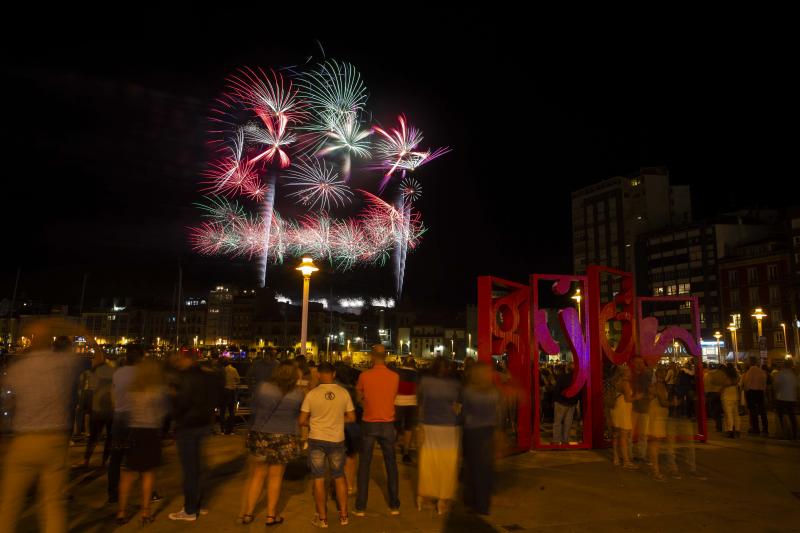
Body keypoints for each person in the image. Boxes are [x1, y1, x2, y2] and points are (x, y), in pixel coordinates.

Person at [0, 331, 83, 533]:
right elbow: (94, 361)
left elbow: (7, 404)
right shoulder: (66, 366)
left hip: (24, 440)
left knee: (10, 502)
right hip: (55, 439)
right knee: (52, 503)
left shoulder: (18, 368)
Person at [239, 360, 305, 526]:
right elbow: (299, 416)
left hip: (261, 435)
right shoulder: (298, 394)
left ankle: (248, 513)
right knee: (276, 478)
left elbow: (254, 408)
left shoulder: (263, 388)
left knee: (257, 475)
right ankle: (271, 516)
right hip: (285, 437)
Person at [299, 362, 356, 528]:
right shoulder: (343, 392)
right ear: (334, 374)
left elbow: (301, 420)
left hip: (317, 439)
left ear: (318, 375)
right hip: (337, 439)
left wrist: (314, 423)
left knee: (318, 479)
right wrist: (338, 420)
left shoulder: (312, 394)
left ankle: (323, 519)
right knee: (339, 476)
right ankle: (344, 515)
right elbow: (352, 418)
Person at [168, 349, 219, 522]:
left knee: (190, 469)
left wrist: (175, 415)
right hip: (203, 424)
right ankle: (199, 504)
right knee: (199, 466)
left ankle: (189, 510)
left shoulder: (184, 377)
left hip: (187, 426)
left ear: (187, 360)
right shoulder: (207, 376)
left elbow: (182, 402)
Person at [116, 359, 168, 525]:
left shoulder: (132, 392)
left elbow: (124, 413)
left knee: (127, 476)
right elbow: (163, 415)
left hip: (134, 433)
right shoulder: (159, 392)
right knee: (148, 474)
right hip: (151, 434)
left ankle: (121, 512)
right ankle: (145, 512)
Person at [355, 344, 400, 516]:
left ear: (372, 357)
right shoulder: (394, 377)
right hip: (388, 423)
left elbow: (358, 396)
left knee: (365, 465)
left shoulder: (364, 376)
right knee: (391, 464)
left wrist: (364, 403)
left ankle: (361, 507)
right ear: (386, 356)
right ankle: (394, 504)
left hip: (369, 422)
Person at [416, 356, 463, 515]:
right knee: (447, 463)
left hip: (429, 424)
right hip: (448, 426)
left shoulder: (425, 382)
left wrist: (419, 423)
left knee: (429, 460)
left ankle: (424, 496)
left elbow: (420, 403)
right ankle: (443, 500)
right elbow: (458, 406)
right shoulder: (454, 384)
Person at [462, 361, 501, 515]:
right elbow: (498, 414)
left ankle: (473, 501)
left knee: (473, 468)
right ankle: (483, 504)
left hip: (473, 432)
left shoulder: (469, 391)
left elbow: (465, 413)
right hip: (489, 431)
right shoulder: (494, 392)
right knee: (485, 469)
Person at [108, 345, 144, 505]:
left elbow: (113, 395)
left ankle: (112, 492)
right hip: (134, 418)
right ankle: (147, 492)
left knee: (115, 458)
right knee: (140, 457)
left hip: (119, 416)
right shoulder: (141, 375)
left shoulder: (117, 373)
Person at [78, 348, 115, 468]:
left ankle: (86, 460)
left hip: (97, 409)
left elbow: (89, 391)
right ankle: (105, 461)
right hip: (111, 409)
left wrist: (85, 408)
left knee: (93, 437)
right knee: (109, 438)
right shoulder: (114, 371)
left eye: (94, 357)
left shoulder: (93, 372)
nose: (92, 359)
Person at [611, 364, 638, 469]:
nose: (630, 372)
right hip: (623, 409)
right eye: (629, 371)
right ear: (625, 372)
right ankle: (626, 461)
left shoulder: (617, 381)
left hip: (617, 408)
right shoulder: (625, 382)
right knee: (624, 436)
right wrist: (637, 396)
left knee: (616, 434)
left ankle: (616, 457)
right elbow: (628, 399)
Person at [394, 356, 419, 463]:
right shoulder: (418, 375)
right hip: (412, 403)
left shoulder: (397, 373)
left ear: (403, 363)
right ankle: (406, 452)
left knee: (395, 426)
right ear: (414, 364)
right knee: (409, 427)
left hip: (398, 402)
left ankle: (391, 449)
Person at [646, 366, 670, 480]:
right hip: (656, 415)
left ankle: (654, 468)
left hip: (659, 415)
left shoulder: (657, 386)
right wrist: (674, 403)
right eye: (663, 373)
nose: (663, 375)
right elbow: (663, 402)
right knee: (655, 442)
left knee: (655, 442)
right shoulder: (657, 386)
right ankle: (655, 470)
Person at [552, 364, 579, 445]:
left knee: (557, 422)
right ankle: (565, 441)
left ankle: (556, 441)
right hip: (572, 403)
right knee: (568, 423)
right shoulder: (577, 378)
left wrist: (554, 400)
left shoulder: (562, 377)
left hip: (561, 402)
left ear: (567, 369)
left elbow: (557, 389)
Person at [630, 355, 651, 460]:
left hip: (644, 407)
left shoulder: (646, 374)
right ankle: (630, 453)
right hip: (633, 406)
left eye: (640, 362)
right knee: (631, 431)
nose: (639, 364)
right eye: (636, 362)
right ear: (633, 364)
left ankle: (641, 454)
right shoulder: (631, 375)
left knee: (643, 433)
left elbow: (649, 390)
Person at [742, 357, 768, 435]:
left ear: (750, 363)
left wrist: (746, 392)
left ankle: (756, 428)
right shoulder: (761, 372)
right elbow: (764, 384)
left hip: (751, 392)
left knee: (753, 411)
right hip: (760, 392)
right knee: (762, 411)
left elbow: (747, 384)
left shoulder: (749, 372)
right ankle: (765, 429)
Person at [774, 359, 798, 440]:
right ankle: (794, 433)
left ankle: (783, 432)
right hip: (792, 398)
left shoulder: (780, 374)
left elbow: (776, 386)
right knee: (792, 416)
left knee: (781, 416)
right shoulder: (793, 375)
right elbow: (796, 386)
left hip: (782, 398)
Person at [219, 357, 240, 435]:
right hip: (231, 391)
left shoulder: (221, 370)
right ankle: (231, 430)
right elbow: (238, 379)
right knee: (231, 411)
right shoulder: (233, 370)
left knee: (222, 411)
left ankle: (222, 430)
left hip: (223, 392)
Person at [703, 364, 726, 432]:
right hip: (719, 393)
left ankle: (719, 425)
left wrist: (705, 393)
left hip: (711, 393)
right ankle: (720, 425)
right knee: (717, 410)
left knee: (713, 410)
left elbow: (705, 384)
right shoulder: (722, 374)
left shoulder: (707, 375)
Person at [721, 364, 741, 438]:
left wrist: (719, 391)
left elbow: (723, 385)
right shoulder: (736, 377)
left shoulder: (725, 377)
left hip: (726, 396)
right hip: (735, 396)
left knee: (728, 414)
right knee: (736, 414)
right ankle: (737, 430)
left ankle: (730, 430)